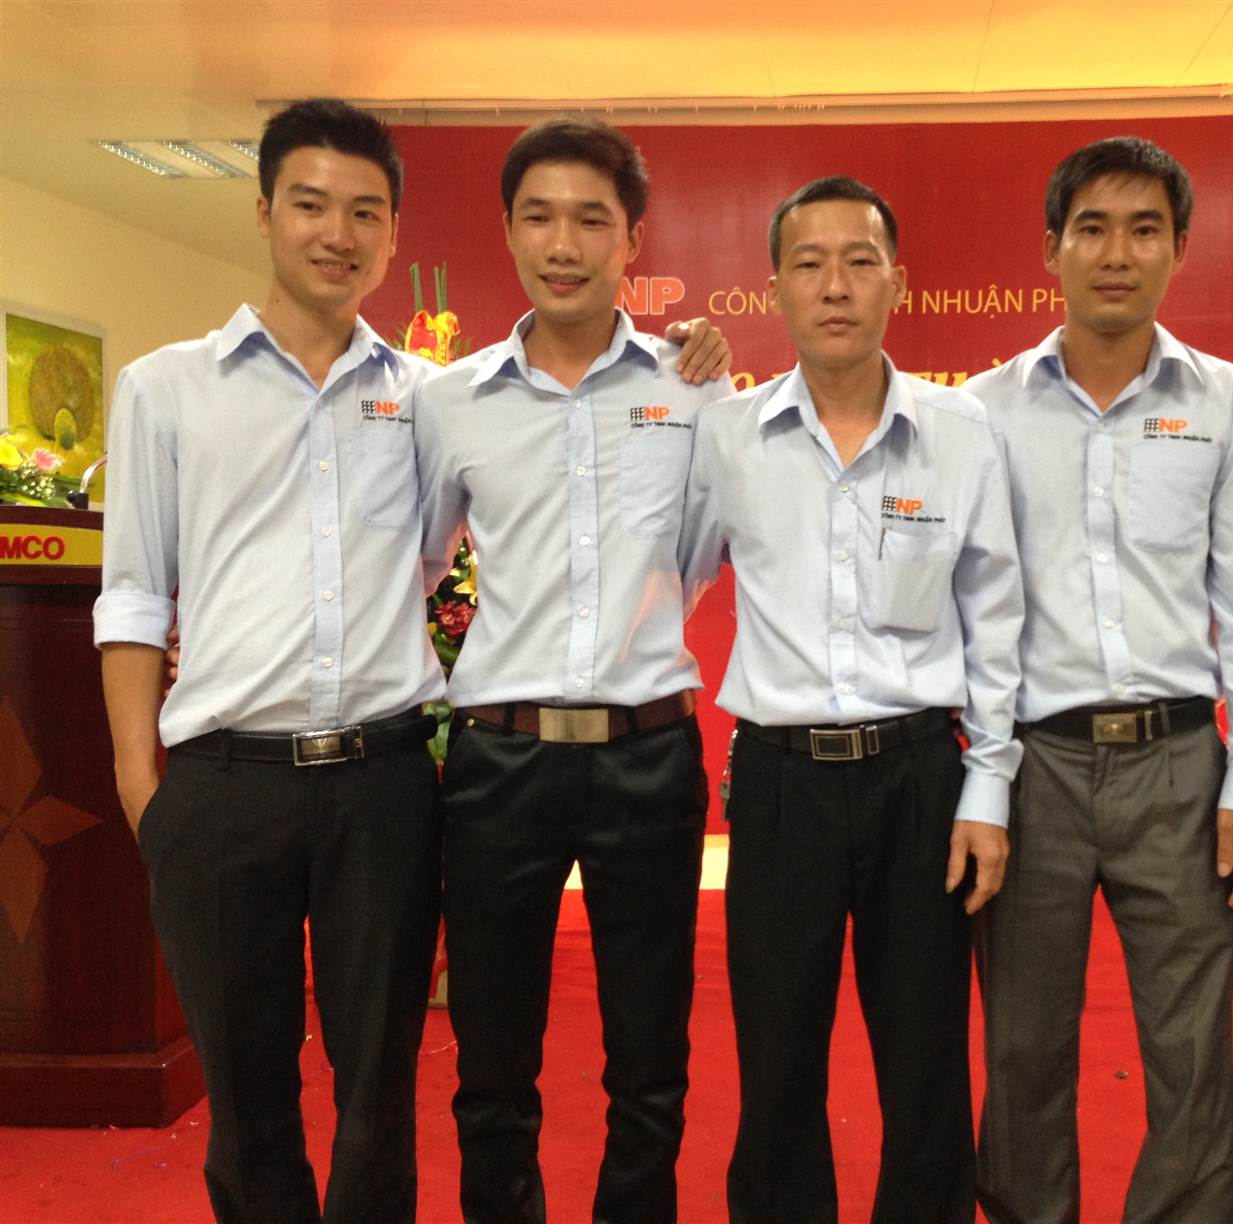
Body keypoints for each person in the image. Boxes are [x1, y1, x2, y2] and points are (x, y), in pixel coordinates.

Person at [96, 99, 444, 1223]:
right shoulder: (166, 389)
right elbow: (134, 592)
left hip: (384, 784)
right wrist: (140, 784)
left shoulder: (427, 400)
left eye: (365, 212)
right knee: (246, 1098)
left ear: (392, 234)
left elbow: (437, 554)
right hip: (222, 786)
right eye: (310, 205)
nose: (337, 234)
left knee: (379, 1089)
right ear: (262, 213)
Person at [965, 137, 1233, 1224]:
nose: (1117, 253)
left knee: (1191, 1043)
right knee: (1022, 1044)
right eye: (1093, 228)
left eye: (1145, 229)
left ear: (1179, 249)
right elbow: (970, 608)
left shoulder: (1228, 402)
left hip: (1179, 767)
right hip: (1037, 769)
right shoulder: (983, 411)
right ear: (1051, 249)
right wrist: (983, 780)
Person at [679, 176, 1023, 1224]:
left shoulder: (959, 433)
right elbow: (672, 576)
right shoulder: (727, 436)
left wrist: (988, 790)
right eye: (810, 264)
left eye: (859, 262)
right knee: (777, 1056)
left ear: (896, 283)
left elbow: (995, 616)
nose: (836, 286)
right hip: (779, 785)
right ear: (775, 286)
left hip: (921, 779)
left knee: (926, 1063)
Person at [412, 118, 730, 1224]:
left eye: (592, 220)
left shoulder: (695, 388)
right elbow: (419, 564)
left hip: (649, 755)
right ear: (508, 230)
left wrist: (631, 642)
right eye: (539, 217)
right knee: (493, 1058)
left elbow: (697, 558)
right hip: (500, 762)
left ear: (631, 239)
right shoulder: (451, 401)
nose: (563, 244)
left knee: (650, 1057)